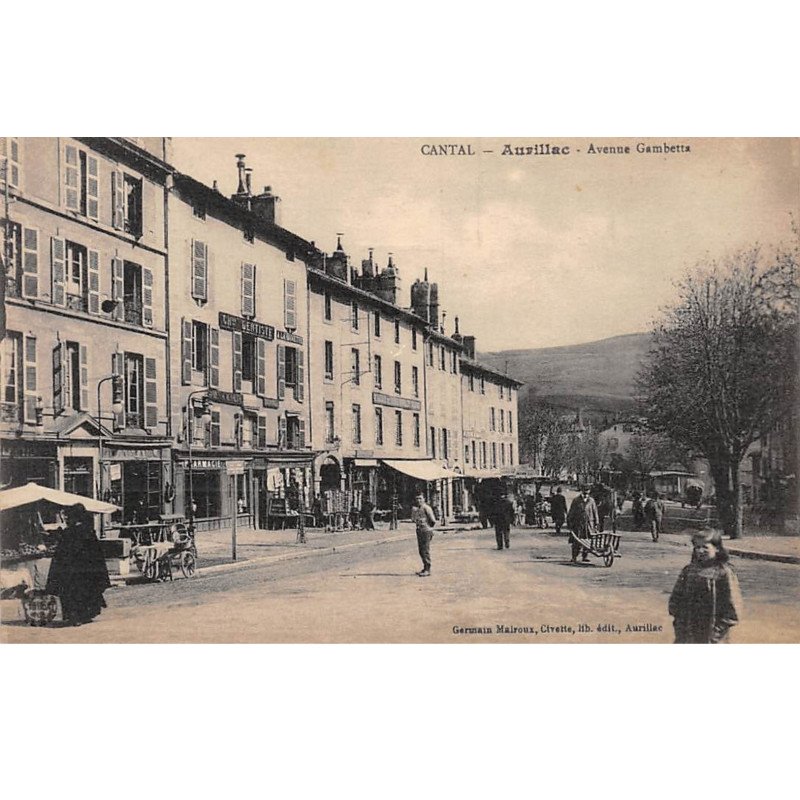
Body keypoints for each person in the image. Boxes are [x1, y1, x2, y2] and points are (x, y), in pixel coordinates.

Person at [668, 529, 743, 643]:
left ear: (717, 548)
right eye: (697, 547)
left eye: (705, 547)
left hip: (712, 635)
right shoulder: (688, 571)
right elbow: (675, 600)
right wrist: (679, 623)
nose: (700, 551)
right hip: (687, 634)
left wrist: (715, 635)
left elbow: (732, 610)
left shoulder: (723, 573)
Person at [45, 504, 111, 627]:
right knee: (86, 592)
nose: (67, 519)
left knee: (72, 593)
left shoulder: (70, 532)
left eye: (69, 517)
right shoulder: (88, 531)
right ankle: (85, 615)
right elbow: (96, 553)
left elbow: (63, 552)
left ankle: (75, 617)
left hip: (72, 570)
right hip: (87, 570)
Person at [566, 486, 599, 562]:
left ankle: (585, 556)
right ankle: (574, 556)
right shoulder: (576, 500)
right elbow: (571, 512)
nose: (586, 495)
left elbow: (595, 512)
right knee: (576, 541)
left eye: (587, 493)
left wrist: (596, 522)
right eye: (584, 493)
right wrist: (569, 522)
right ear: (581, 492)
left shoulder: (591, 501)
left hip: (588, 524)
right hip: (578, 524)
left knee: (587, 540)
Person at [411, 492, 437, 577]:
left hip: (426, 531)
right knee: (421, 550)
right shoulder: (416, 509)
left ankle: (427, 569)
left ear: (424, 499)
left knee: (425, 550)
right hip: (419, 530)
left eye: (420, 498)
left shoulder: (426, 508)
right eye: (417, 499)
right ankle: (425, 567)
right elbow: (413, 520)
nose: (418, 500)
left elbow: (433, 520)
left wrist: (428, 528)